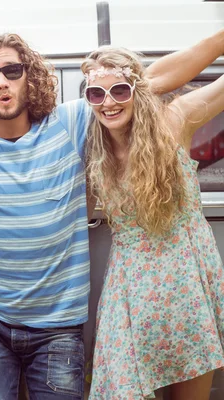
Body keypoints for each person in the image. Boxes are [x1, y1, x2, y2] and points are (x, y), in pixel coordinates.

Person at [0, 30, 224, 399]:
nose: (2, 82)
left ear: (30, 76)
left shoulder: (70, 122)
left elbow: (143, 81)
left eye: (12, 71)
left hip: (61, 324)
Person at [81, 47, 224, 400]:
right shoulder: (92, 145)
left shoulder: (174, 122)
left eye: (120, 90)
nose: (108, 102)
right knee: (122, 391)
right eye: (97, 93)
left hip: (186, 280)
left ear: (138, 90)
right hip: (129, 290)